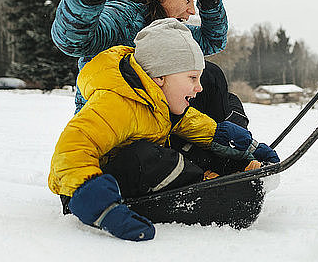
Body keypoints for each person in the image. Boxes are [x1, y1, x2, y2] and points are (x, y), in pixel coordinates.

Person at [48, 19, 279, 242]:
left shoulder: (159, 102)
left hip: (130, 179)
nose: (199, 87)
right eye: (192, 77)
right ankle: (211, 187)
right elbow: (71, 149)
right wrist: (98, 203)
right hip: (86, 191)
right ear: (159, 77)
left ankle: (235, 170)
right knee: (148, 155)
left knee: (188, 146)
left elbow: (196, 125)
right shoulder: (115, 102)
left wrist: (247, 146)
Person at [51, 0, 248, 128]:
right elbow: (72, 41)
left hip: (151, 121)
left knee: (223, 96)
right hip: (109, 127)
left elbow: (213, 40)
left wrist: (211, 0)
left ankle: (229, 151)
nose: (192, 10)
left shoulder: (169, 31)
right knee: (209, 76)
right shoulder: (122, 18)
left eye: (195, 0)